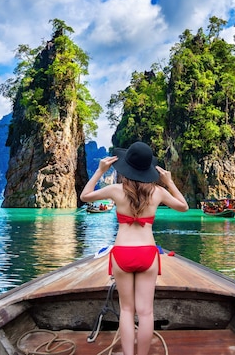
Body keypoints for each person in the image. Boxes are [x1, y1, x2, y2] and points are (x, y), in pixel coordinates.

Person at [80, 141, 188, 355]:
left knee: (127, 310)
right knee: (146, 312)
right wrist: (169, 181)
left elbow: (85, 196)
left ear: (126, 168)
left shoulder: (115, 190)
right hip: (148, 253)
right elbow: (183, 206)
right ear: (148, 170)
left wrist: (100, 171)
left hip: (122, 254)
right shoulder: (158, 192)